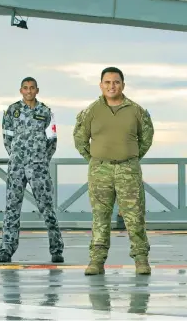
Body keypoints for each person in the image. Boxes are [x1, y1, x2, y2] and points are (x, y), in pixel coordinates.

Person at [73, 66, 154, 275]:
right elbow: (80, 139)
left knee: (135, 216)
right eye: (107, 82)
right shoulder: (90, 111)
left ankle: (141, 259)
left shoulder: (137, 111)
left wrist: (131, 156)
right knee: (100, 216)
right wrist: (96, 159)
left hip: (129, 169)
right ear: (101, 85)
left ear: (123, 85)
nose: (112, 86)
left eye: (116, 82)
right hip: (100, 170)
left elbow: (146, 139)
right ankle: (97, 261)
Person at [0, 77, 65, 263]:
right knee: (12, 208)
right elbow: (7, 138)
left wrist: (41, 159)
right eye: (25, 88)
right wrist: (17, 155)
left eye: (32, 88)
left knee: (47, 207)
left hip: (38, 167)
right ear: (21, 90)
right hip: (17, 167)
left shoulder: (45, 112)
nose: (28, 91)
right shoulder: (12, 111)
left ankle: (56, 249)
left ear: (37, 90)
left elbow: (52, 140)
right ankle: (6, 249)